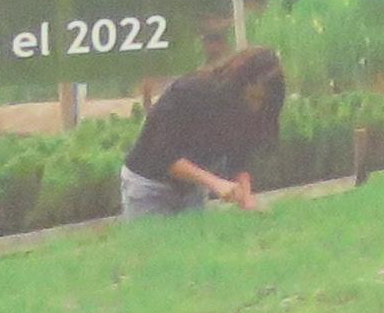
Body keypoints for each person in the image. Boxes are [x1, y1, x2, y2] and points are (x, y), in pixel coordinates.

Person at [119, 48, 286, 217]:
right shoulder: (190, 92)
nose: (255, 107)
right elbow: (164, 156)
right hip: (149, 185)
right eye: (253, 97)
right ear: (239, 85)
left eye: (263, 102)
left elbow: (239, 157)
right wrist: (215, 183)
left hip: (191, 189)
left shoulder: (245, 111)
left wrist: (247, 199)